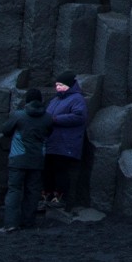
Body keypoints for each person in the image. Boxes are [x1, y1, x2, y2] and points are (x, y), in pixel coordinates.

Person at [0, 89, 54, 233]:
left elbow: (5, 130)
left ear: (27, 101)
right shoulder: (48, 118)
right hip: (37, 160)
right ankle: (28, 222)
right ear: (41, 101)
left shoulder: (19, 116)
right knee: (33, 192)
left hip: (18, 159)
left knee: (14, 191)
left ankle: (11, 224)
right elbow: (49, 132)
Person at [42, 76, 89, 210]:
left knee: (61, 171)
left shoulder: (77, 99)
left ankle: (59, 199)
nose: (58, 88)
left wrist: (55, 119)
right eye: (56, 85)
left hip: (66, 143)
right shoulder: (55, 100)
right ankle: (47, 197)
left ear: (70, 85)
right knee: (47, 171)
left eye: (61, 85)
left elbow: (79, 116)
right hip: (52, 142)